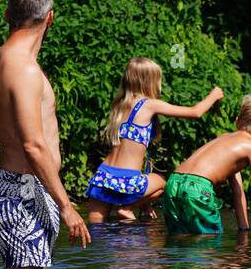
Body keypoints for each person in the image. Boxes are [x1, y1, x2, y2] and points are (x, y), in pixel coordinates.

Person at [0, 0, 89, 269]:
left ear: (6, 14)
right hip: (22, 188)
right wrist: (67, 207)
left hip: (26, 188)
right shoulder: (23, 69)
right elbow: (33, 144)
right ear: (50, 17)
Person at [85, 57, 224, 224]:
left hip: (102, 177)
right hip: (128, 181)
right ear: (150, 82)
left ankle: (129, 211)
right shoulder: (149, 104)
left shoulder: (119, 106)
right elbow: (195, 112)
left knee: (96, 232)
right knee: (163, 182)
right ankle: (128, 207)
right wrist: (214, 95)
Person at [162, 95, 251, 237]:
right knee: (209, 244)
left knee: (178, 242)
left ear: (237, 120)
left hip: (173, 182)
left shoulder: (223, 137)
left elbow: (237, 190)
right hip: (197, 188)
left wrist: (244, 228)